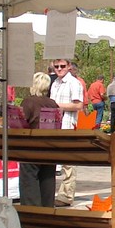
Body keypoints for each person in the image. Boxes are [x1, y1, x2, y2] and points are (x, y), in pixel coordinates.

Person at [18, 72, 59, 207]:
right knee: (47, 185)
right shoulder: (53, 104)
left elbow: (21, 123)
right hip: (50, 149)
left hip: (31, 149)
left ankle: (32, 217)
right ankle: (47, 216)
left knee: (29, 184)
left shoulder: (28, 102)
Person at [49, 57, 85, 205]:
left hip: (68, 124)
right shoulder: (55, 83)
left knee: (68, 163)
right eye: (56, 66)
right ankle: (53, 193)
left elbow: (78, 105)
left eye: (62, 66)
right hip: (54, 125)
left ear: (69, 66)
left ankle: (66, 196)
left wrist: (57, 105)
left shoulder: (74, 83)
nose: (59, 69)